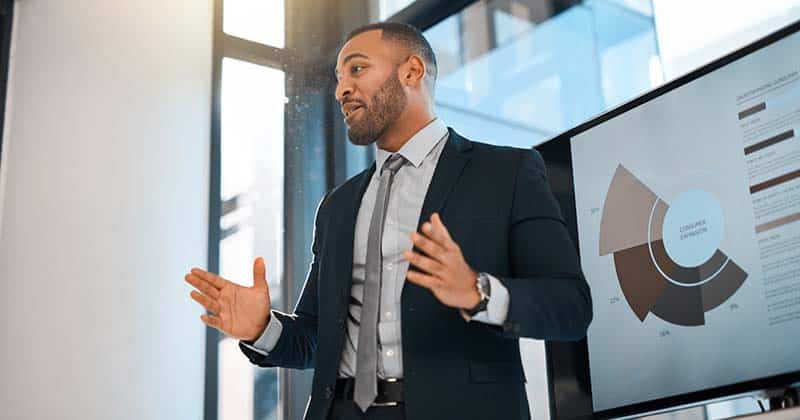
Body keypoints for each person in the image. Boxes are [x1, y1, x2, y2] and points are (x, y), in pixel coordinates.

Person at [185, 22, 592, 420]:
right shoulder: (337, 206)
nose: (342, 89)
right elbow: (314, 337)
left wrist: (477, 291)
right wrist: (264, 328)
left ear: (411, 72)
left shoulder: (507, 172)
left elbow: (571, 308)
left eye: (357, 69)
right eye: (338, 77)